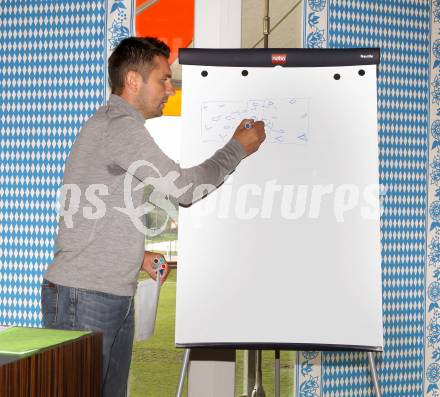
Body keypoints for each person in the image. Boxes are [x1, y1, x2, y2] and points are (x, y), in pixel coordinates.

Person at [41, 36, 265, 397]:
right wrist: (237, 148)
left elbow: (94, 208)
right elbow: (187, 188)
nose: (170, 89)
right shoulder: (120, 127)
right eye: (163, 78)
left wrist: (137, 255)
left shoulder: (111, 127)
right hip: (85, 297)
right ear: (132, 80)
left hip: (100, 293)